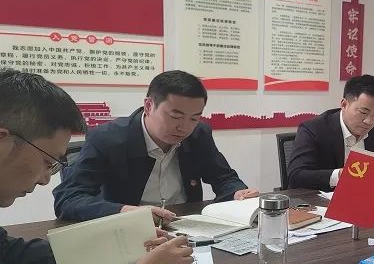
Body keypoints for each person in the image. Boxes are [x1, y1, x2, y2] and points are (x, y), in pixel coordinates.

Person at [0, 69, 194, 264]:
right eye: (48, 161)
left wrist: (126, 245)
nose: (46, 179)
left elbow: (13, 256)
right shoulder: (111, 137)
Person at [53, 70, 258, 223]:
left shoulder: (198, 134)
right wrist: (126, 212)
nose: (184, 127)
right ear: (149, 106)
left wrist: (238, 193)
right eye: (175, 116)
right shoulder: (108, 138)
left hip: (184, 226)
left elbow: (224, 178)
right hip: (129, 230)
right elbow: (69, 199)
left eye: (194, 118)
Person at [288, 74, 374, 191]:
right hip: (324, 198)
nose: (369, 121)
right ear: (344, 105)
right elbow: (296, 176)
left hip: (365, 195)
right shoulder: (313, 129)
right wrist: (340, 175)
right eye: (363, 112)